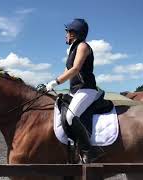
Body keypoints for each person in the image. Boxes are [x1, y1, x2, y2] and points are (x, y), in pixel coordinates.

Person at [46, 18, 98, 163]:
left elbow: (75, 69)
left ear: (75, 33)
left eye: (68, 31)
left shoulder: (83, 46)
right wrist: (51, 82)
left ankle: (88, 151)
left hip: (86, 89)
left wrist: (55, 82)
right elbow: (66, 71)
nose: (66, 34)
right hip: (75, 91)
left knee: (71, 116)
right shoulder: (72, 50)